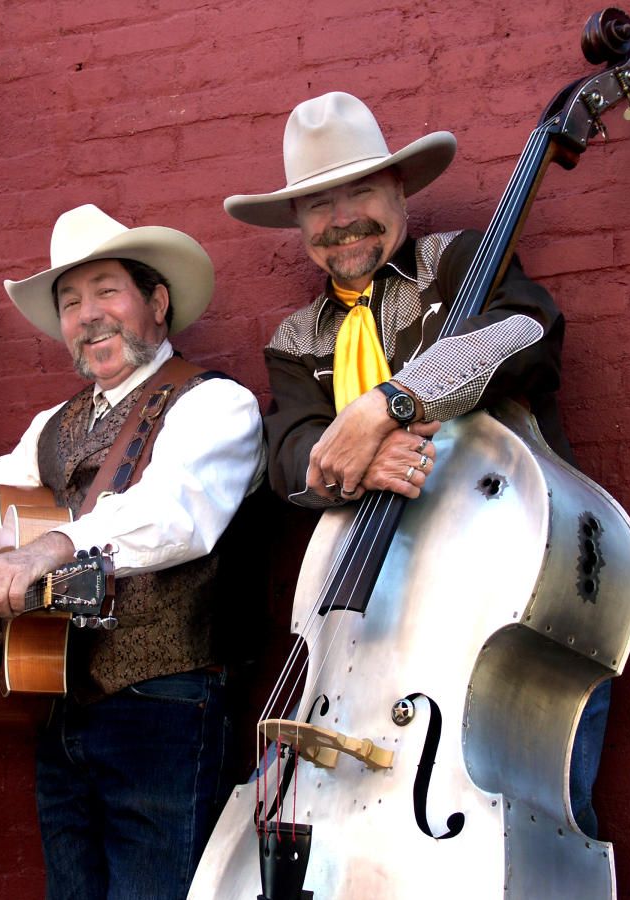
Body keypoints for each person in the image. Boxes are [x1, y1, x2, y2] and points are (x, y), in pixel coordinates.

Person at [222, 92, 607, 836]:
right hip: (378, 616)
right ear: (298, 222)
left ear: (400, 189)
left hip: (502, 592)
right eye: (317, 205)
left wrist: (390, 404)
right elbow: (292, 455)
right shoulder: (295, 341)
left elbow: (528, 334)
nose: (341, 219)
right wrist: (355, 464)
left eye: (360, 191)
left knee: (527, 818)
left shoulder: (459, 261)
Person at [0, 204, 265, 900]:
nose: (88, 316)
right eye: (70, 303)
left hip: (167, 707)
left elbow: (177, 513)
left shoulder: (214, 403)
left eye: (106, 291)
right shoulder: (50, 426)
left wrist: (46, 550)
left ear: (157, 302)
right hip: (57, 701)